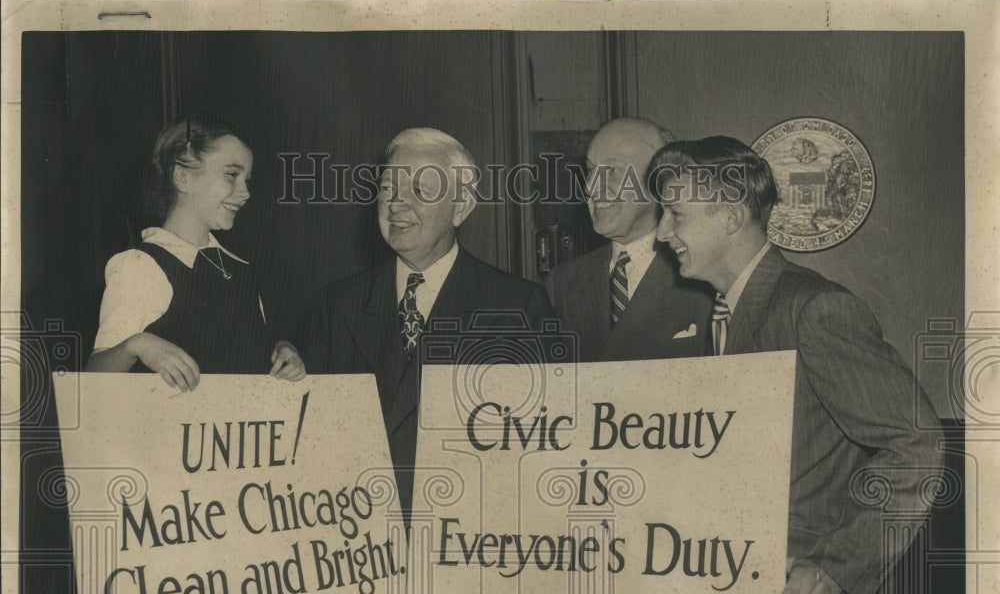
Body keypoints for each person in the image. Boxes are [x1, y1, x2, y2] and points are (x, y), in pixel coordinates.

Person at [650, 135, 943, 594]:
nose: (660, 232)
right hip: (733, 592)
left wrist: (835, 568)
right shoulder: (718, 314)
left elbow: (918, 442)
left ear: (732, 216)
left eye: (675, 214)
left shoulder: (815, 310)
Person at [298, 128, 554, 520]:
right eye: (387, 189)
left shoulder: (518, 307)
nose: (397, 204)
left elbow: (535, 458)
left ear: (461, 206)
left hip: (462, 543)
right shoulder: (336, 305)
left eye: (421, 190)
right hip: (358, 544)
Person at [86, 116, 305, 389]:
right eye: (231, 175)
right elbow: (91, 382)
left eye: (247, 180)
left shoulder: (242, 270)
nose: (246, 192)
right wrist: (136, 345)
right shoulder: (141, 266)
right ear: (183, 176)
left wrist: (281, 351)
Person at [544, 117, 713, 362]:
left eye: (611, 171)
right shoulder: (559, 284)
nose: (590, 187)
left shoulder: (706, 280)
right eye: (590, 170)